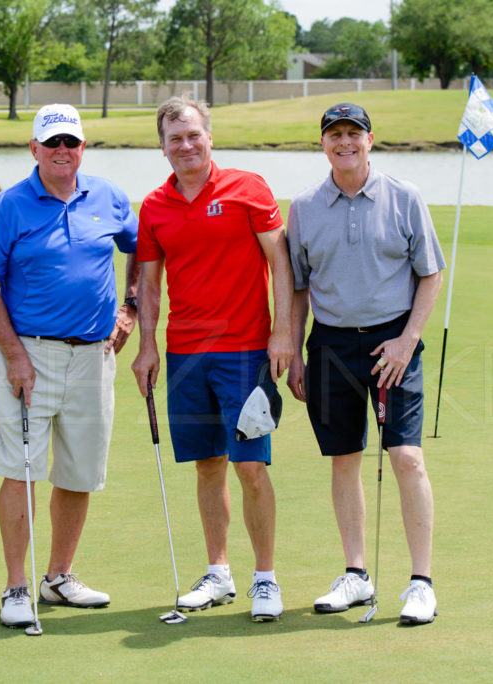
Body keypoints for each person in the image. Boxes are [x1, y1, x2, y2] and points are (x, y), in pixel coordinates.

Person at [0, 104, 139, 629]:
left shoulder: (108, 197)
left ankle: (59, 577)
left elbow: (142, 250)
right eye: (52, 144)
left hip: (96, 355)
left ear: (82, 147)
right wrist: (15, 356)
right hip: (32, 356)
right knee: (20, 471)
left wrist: (129, 308)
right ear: (34, 149)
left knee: (79, 473)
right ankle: (16, 585)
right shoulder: (7, 207)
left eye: (71, 142)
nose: (62, 151)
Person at [131, 95, 294, 622]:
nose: (186, 145)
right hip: (185, 355)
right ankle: (218, 573)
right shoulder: (155, 207)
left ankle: (264, 578)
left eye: (193, 135)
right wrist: (147, 345)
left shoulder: (248, 189)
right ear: (162, 147)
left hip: (245, 353)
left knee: (250, 466)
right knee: (207, 466)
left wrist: (283, 332)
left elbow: (281, 261)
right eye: (174, 138)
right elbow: (149, 285)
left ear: (209, 137)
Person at [286, 102, 445, 625]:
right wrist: (293, 349)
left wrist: (408, 340)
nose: (345, 143)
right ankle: (356, 575)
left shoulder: (404, 197)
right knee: (344, 459)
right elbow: (298, 287)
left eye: (354, 134)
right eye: (335, 135)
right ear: (324, 143)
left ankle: (421, 583)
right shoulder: (305, 205)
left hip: (393, 344)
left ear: (370, 140)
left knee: (406, 457)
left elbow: (430, 274)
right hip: (330, 345)